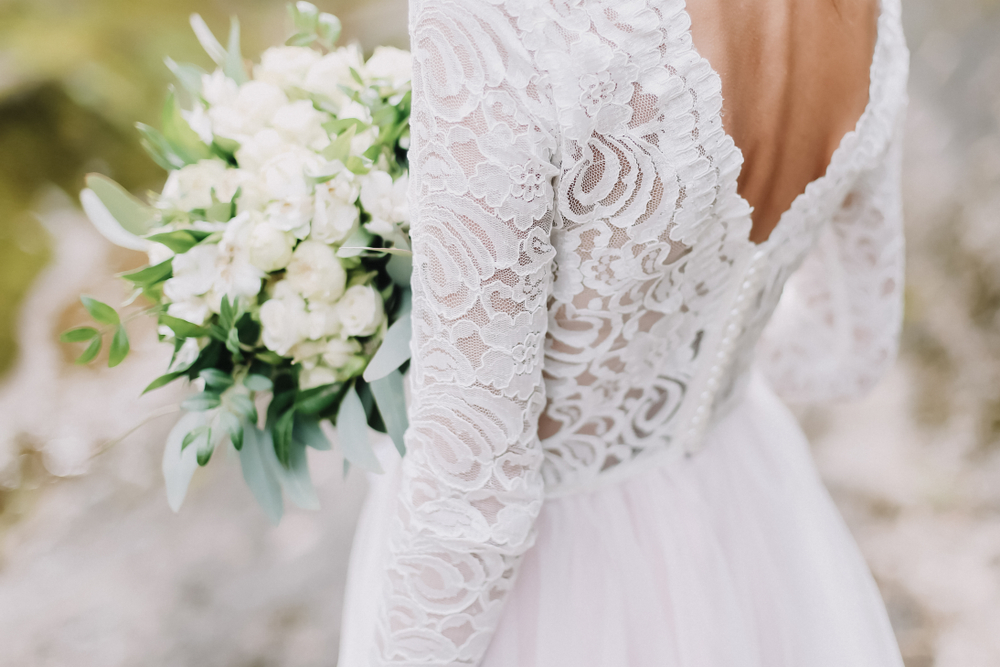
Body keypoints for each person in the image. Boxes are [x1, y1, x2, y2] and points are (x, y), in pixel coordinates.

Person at [340, 0, 909, 664]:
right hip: (748, 515)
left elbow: (471, 492)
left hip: (557, 587)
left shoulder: (496, 16)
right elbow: (850, 349)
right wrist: (691, 362)